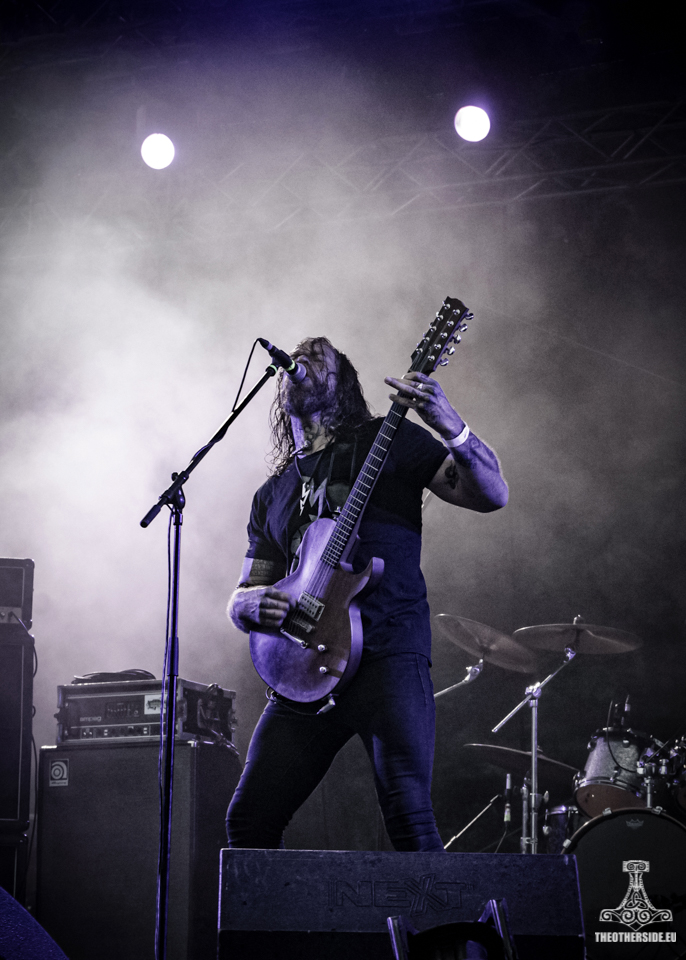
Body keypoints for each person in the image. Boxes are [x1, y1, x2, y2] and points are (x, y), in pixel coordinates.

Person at [226, 336, 508, 851]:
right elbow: (252, 586)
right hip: (303, 666)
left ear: (343, 385)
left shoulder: (387, 439)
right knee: (248, 822)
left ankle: (439, 912)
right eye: (298, 358)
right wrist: (240, 605)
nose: (302, 363)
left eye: (320, 360)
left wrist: (452, 426)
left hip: (386, 654)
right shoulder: (272, 493)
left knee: (409, 820)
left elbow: (491, 494)